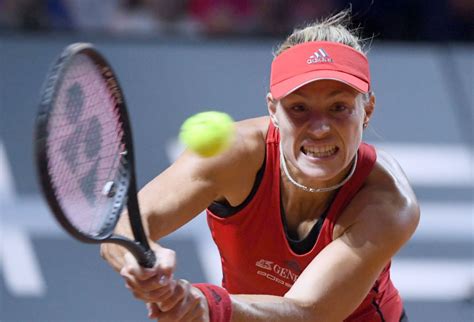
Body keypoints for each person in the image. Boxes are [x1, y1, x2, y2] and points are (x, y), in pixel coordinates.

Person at [101, 9, 419, 322]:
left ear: (367, 110)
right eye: (299, 108)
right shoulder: (232, 155)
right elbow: (129, 224)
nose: (320, 127)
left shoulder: (388, 203)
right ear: (273, 110)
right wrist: (140, 260)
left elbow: (309, 312)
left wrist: (207, 304)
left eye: (339, 107)